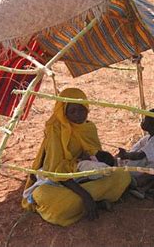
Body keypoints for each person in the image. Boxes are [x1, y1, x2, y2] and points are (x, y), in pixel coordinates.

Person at [21, 88, 131, 226]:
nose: (79, 115)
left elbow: (97, 159)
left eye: (82, 110)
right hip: (56, 180)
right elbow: (55, 170)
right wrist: (85, 196)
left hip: (83, 175)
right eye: (72, 111)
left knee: (123, 176)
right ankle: (93, 201)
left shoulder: (88, 128)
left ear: (87, 108)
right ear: (64, 113)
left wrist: (93, 162)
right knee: (54, 200)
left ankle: (87, 204)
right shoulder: (56, 130)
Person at [116, 108, 154, 187]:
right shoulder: (148, 138)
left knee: (150, 171)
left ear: (153, 126)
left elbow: (139, 155)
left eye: (145, 119)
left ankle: (136, 183)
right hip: (146, 164)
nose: (142, 120)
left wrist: (125, 155)